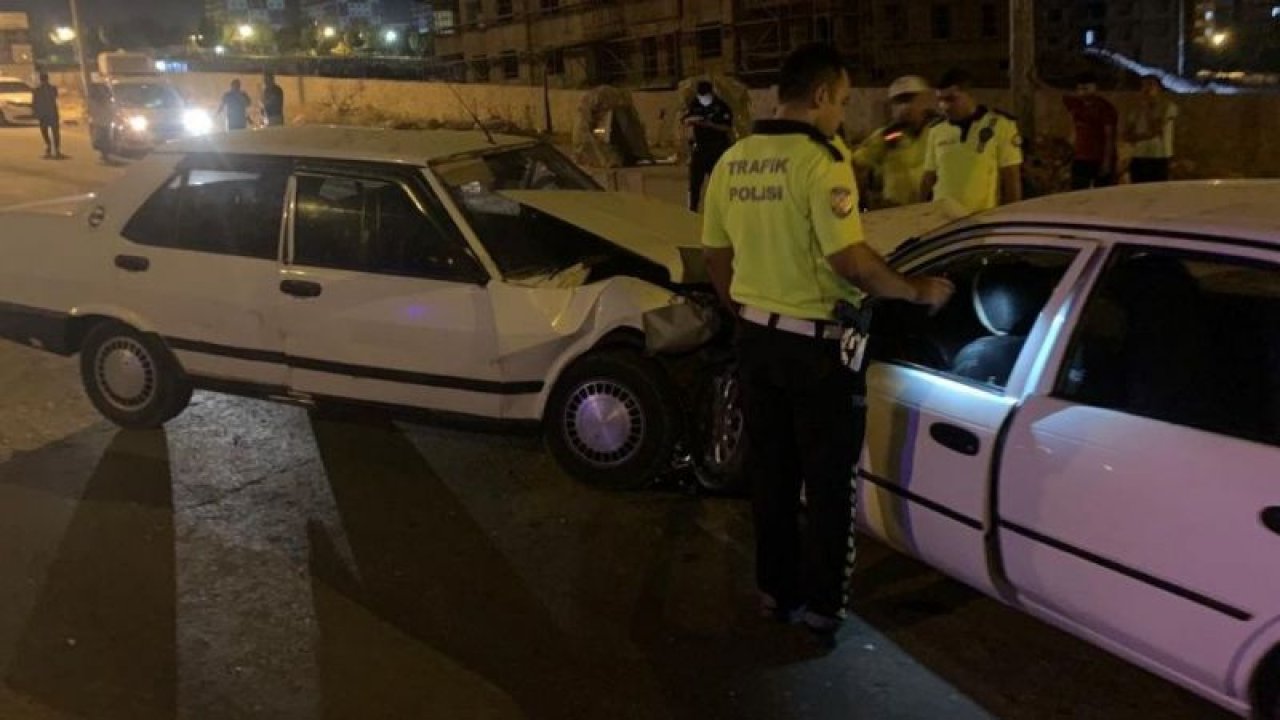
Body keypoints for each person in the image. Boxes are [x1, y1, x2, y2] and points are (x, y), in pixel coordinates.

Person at [700, 43, 954, 645]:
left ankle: (776, 592)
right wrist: (917, 290)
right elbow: (852, 262)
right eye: (840, 101)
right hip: (817, 352)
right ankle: (822, 606)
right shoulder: (823, 162)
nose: (842, 113)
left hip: (757, 343)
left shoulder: (733, 160)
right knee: (829, 481)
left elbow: (715, 255)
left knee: (772, 475)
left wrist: (747, 312)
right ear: (819, 97)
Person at [921, 68, 1023, 213]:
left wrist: (1011, 216)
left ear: (969, 95)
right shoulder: (936, 130)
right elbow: (928, 178)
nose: (944, 106)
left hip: (980, 217)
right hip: (943, 217)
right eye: (940, 100)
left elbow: (1011, 178)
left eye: (951, 99)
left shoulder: (1000, 125)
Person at [852, 75, 937, 208]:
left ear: (924, 100)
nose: (905, 106)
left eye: (910, 99)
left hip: (932, 206)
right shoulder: (886, 136)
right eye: (898, 101)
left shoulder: (938, 131)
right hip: (895, 208)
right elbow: (857, 162)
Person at [682, 80, 734, 211]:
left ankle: (720, 210)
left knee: (717, 183)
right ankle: (692, 209)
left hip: (717, 148)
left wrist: (710, 124)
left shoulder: (721, 106)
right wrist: (690, 121)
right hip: (700, 148)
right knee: (694, 183)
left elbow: (727, 127)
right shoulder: (695, 104)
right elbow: (685, 118)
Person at [1062, 71, 1118, 190]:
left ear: (1095, 88)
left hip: (1099, 157)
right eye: (1080, 89)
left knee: (1102, 193)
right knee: (1077, 192)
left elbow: (1109, 136)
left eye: (1086, 89)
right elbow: (1061, 96)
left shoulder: (1105, 108)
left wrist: (1106, 162)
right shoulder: (1076, 104)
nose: (1083, 92)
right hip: (1080, 157)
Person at [1125, 75, 1177, 183]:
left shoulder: (1168, 107)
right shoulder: (1136, 110)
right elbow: (1127, 134)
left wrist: (1147, 109)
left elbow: (1156, 130)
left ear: (1159, 89)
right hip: (1139, 157)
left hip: (1159, 157)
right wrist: (1143, 136)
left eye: (1150, 85)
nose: (1146, 89)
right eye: (1143, 85)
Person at [32, 72, 63, 159]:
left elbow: (34, 103)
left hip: (45, 114)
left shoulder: (38, 90)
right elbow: (54, 98)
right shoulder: (52, 89)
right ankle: (54, 149)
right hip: (51, 113)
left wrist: (36, 113)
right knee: (53, 132)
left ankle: (50, 147)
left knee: (46, 131)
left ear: (40, 79)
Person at [87, 83, 114, 163]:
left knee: (104, 140)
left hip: (104, 122)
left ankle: (105, 155)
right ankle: (104, 155)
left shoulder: (105, 100)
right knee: (102, 140)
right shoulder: (95, 101)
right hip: (100, 122)